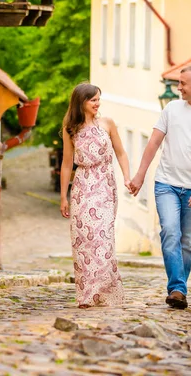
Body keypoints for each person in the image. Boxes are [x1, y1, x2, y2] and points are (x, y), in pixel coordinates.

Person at [130, 65, 191, 309]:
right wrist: (140, 175)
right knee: (170, 231)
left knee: (186, 241)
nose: (178, 88)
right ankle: (177, 288)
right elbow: (153, 143)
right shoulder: (171, 109)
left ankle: (178, 289)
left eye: (183, 83)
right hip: (166, 184)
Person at [60, 83, 131, 308]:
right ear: (81, 102)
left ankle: (105, 290)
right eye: (93, 100)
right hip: (82, 187)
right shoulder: (70, 128)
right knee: (85, 241)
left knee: (103, 238)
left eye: (98, 99)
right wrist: (64, 196)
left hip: (104, 185)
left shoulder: (107, 124)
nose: (97, 103)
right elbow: (66, 164)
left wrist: (127, 178)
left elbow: (121, 153)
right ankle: (87, 294)